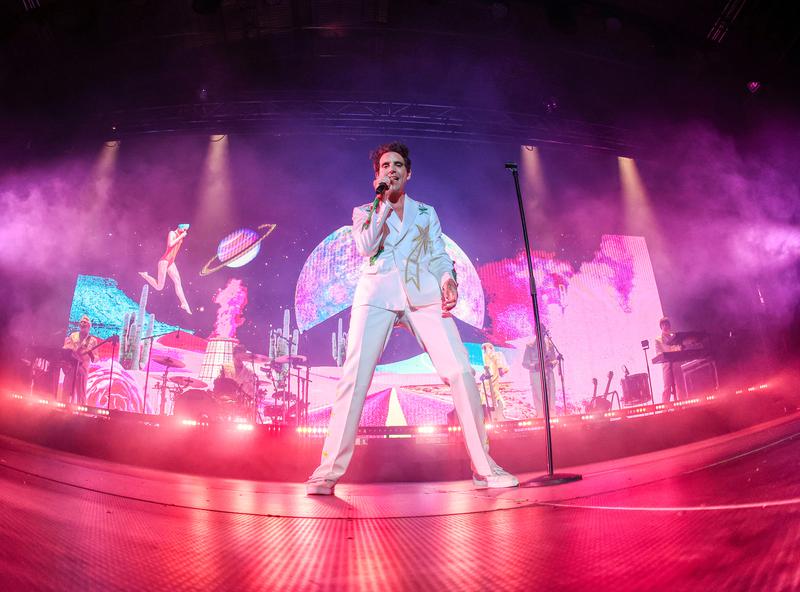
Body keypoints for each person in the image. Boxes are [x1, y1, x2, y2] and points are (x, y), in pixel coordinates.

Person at [305, 142, 518, 495]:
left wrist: (448, 279)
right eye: (386, 165)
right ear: (377, 174)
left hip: (424, 296)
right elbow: (366, 246)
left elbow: (438, 255)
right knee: (354, 378)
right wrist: (382, 206)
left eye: (398, 164)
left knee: (462, 372)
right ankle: (327, 472)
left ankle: (484, 467)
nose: (392, 169)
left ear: (409, 172)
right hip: (377, 296)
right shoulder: (364, 211)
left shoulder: (426, 212)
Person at [139, 224, 192, 314]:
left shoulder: (180, 235)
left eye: (186, 230)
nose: (185, 232)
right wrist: (181, 236)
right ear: (180, 227)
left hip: (171, 262)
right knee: (159, 287)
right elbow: (170, 244)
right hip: (164, 261)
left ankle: (184, 303)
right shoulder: (172, 233)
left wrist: (181, 236)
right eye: (184, 229)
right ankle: (145, 275)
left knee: (178, 282)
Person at [62, 315, 99, 405]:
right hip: (71, 367)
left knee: (81, 393)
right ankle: (63, 410)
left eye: (85, 322)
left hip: (83, 369)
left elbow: (96, 358)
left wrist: (90, 353)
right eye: (81, 322)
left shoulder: (92, 340)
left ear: (89, 326)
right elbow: (65, 348)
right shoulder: (73, 336)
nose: (82, 324)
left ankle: (81, 412)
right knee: (66, 390)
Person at [521, 332, 558, 417]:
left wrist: (551, 364)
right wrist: (536, 366)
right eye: (540, 329)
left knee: (551, 396)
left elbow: (555, 359)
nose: (542, 332)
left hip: (549, 374)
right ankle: (541, 417)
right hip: (536, 375)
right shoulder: (530, 346)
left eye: (543, 330)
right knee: (539, 396)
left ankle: (552, 417)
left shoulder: (549, 344)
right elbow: (525, 363)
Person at [655, 317, 686, 403]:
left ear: (670, 326)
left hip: (676, 363)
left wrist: (680, 348)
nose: (665, 326)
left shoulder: (674, 337)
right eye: (663, 325)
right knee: (667, 386)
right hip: (666, 365)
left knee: (680, 384)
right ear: (661, 327)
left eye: (667, 324)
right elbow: (658, 352)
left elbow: (678, 348)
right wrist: (667, 355)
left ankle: (682, 404)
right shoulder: (658, 339)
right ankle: (665, 406)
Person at [480, 342, 509, 422]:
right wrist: (485, 374)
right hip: (488, 378)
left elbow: (498, 365)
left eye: (486, 348)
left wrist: (501, 370)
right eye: (484, 349)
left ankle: (499, 409)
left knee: (494, 392)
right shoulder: (486, 356)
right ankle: (485, 410)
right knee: (484, 392)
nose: (485, 350)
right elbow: (486, 367)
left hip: (493, 377)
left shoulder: (495, 355)